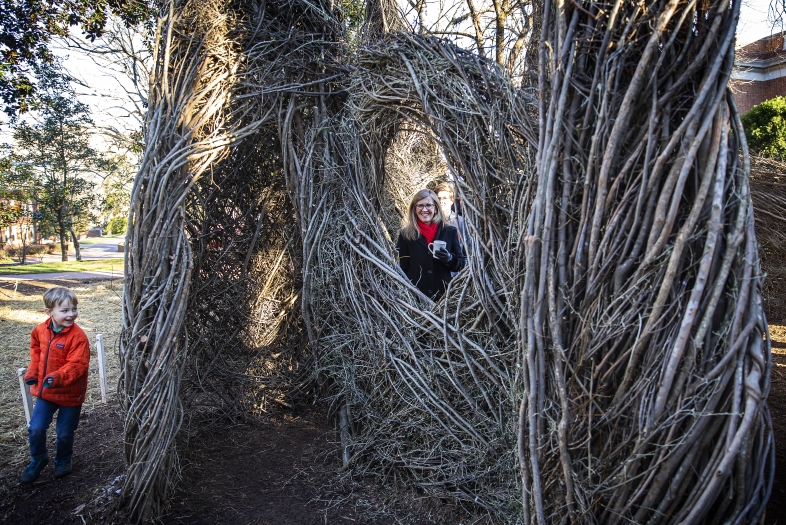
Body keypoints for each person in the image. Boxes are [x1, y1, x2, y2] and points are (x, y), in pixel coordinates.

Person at [20, 287, 90, 483]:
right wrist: (32, 373)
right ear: (49, 312)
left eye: (74, 309)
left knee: (64, 432)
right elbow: (36, 352)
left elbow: (78, 365)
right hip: (46, 392)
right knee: (36, 428)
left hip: (70, 394)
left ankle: (63, 460)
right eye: (65, 310)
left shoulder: (78, 337)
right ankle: (38, 458)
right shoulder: (40, 331)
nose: (71, 314)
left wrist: (56, 378)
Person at [397, 189, 466, 300]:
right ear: (414, 209)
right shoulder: (406, 234)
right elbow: (402, 267)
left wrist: (449, 258)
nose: (424, 210)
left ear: (436, 208)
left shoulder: (449, 231)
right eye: (420, 206)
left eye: (429, 205)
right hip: (415, 297)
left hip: (443, 298)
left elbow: (461, 264)